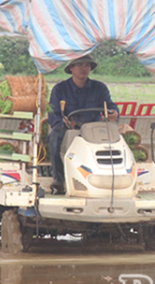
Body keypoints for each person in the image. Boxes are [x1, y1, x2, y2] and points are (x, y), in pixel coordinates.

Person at [47, 55, 119, 193]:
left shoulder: (100, 88)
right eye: (80, 65)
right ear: (71, 68)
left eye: (87, 65)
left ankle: (110, 178)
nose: (83, 68)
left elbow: (109, 105)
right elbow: (53, 114)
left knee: (115, 138)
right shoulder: (60, 89)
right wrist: (64, 122)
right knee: (54, 137)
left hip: (93, 130)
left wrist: (114, 112)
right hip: (67, 129)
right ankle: (59, 181)